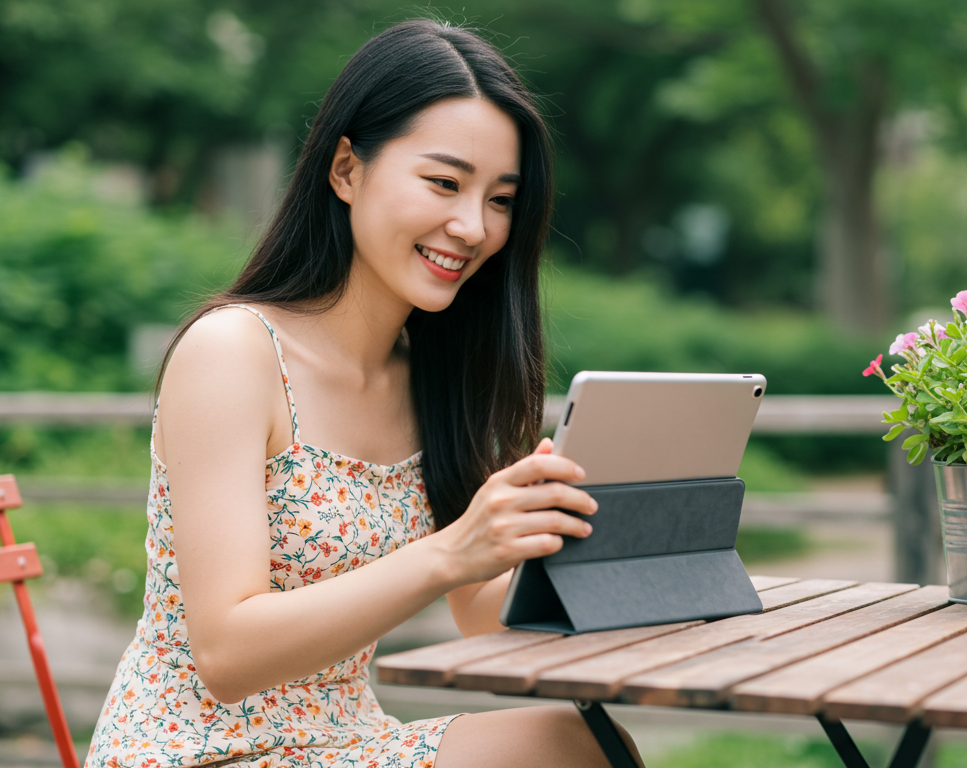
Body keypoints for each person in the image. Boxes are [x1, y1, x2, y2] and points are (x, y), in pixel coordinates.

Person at [86, 19, 643, 768]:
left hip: (345, 742)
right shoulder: (234, 354)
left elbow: (481, 612)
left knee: (582, 744)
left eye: (501, 199)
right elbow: (226, 650)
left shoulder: (432, 377)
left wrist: (564, 546)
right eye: (444, 183)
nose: (472, 226)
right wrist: (453, 550)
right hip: (194, 751)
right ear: (346, 170)